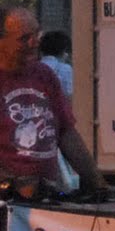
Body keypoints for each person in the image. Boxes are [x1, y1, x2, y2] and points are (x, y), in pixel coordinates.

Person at [0, 3, 106, 201]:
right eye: (24, 39)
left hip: (46, 195)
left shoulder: (44, 75)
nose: (34, 43)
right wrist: (14, 183)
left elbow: (66, 133)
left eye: (36, 35)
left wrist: (97, 183)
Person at [38, 30, 78, 193]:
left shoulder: (36, 68)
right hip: (60, 121)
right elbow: (69, 96)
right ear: (64, 51)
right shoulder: (65, 69)